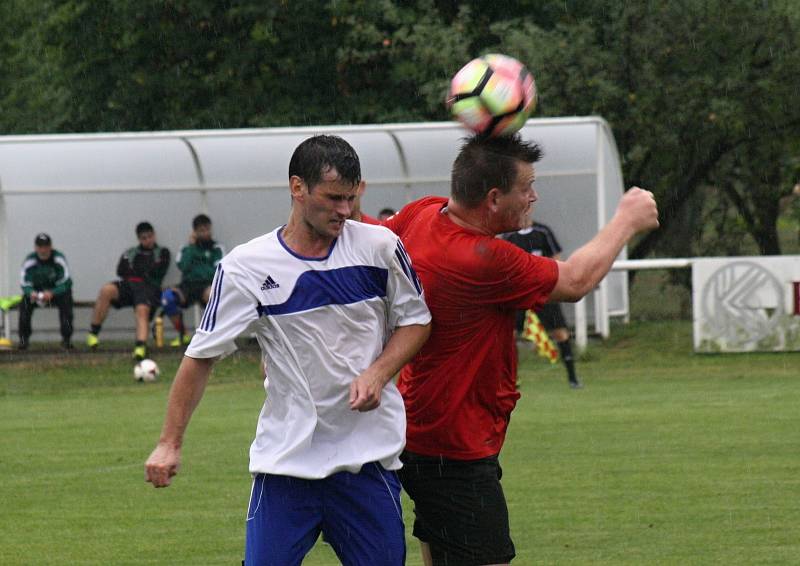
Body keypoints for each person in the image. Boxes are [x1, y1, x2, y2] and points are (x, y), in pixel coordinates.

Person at [144, 135, 431, 566]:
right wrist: (170, 442)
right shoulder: (246, 266)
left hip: (367, 462)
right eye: (333, 198)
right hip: (286, 466)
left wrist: (378, 373)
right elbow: (200, 356)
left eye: (351, 198)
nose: (344, 211)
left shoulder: (380, 248)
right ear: (297, 187)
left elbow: (417, 320)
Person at [380, 134, 659, 566]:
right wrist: (626, 219)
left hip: (421, 429)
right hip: (453, 445)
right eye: (526, 187)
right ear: (493, 198)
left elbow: (371, 245)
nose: (534, 196)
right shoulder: (482, 257)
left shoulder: (423, 213)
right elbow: (576, 281)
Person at [503, 215, 582, 388]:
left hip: (542, 291)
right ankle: (511, 379)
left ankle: (573, 378)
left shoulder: (543, 232)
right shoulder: (509, 237)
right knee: (509, 335)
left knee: (560, 333)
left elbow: (557, 258)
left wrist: (549, 279)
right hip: (519, 293)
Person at [86, 222, 170, 360]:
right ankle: (93, 333)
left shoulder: (162, 252)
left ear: (154, 235)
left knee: (142, 309)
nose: (148, 240)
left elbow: (158, 271)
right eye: (144, 238)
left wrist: (139, 271)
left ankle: (140, 346)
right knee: (106, 290)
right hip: (129, 285)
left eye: (150, 236)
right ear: (139, 239)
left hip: (149, 287)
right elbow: (121, 270)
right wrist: (142, 271)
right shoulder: (131, 252)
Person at [160, 214, 225, 347]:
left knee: (213, 295)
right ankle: (183, 335)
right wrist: (192, 248)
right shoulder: (186, 248)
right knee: (167, 298)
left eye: (207, 229)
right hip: (187, 286)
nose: (206, 233)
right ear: (195, 232)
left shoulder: (217, 248)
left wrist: (199, 269)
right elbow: (183, 266)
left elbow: (217, 271)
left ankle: (213, 337)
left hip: (207, 285)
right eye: (201, 230)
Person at [18, 233, 74, 350]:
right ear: (35, 247)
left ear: (50, 247)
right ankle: (23, 340)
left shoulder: (58, 259)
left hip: (57, 293)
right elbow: (24, 282)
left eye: (45, 246)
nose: (43, 250)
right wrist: (31, 292)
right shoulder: (30, 261)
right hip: (36, 294)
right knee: (24, 304)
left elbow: (66, 281)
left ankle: (66, 339)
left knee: (67, 304)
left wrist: (52, 292)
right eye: (40, 246)